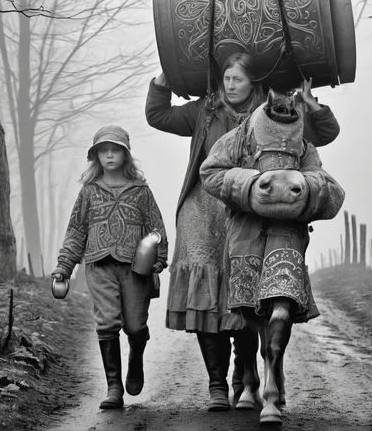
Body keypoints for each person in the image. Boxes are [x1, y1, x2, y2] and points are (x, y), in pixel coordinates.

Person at [145, 52, 340, 412]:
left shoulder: (276, 114)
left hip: (258, 211)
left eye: (237, 79)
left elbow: (323, 134)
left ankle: (244, 376)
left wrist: (312, 105)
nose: (230, 85)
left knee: (249, 292)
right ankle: (218, 384)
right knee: (208, 296)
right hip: (206, 209)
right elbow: (158, 115)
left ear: (254, 82)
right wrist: (166, 75)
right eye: (226, 79)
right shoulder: (204, 110)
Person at [51, 125, 168, 410]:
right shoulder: (89, 191)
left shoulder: (141, 191)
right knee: (107, 322)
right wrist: (64, 267)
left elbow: (156, 228)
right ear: (95, 156)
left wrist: (159, 258)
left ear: (126, 155)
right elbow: (77, 230)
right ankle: (114, 387)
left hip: (135, 269)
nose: (110, 155)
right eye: (104, 151)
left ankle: (136, 358)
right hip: (99, 265)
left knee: (135, 326)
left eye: (115, 150)